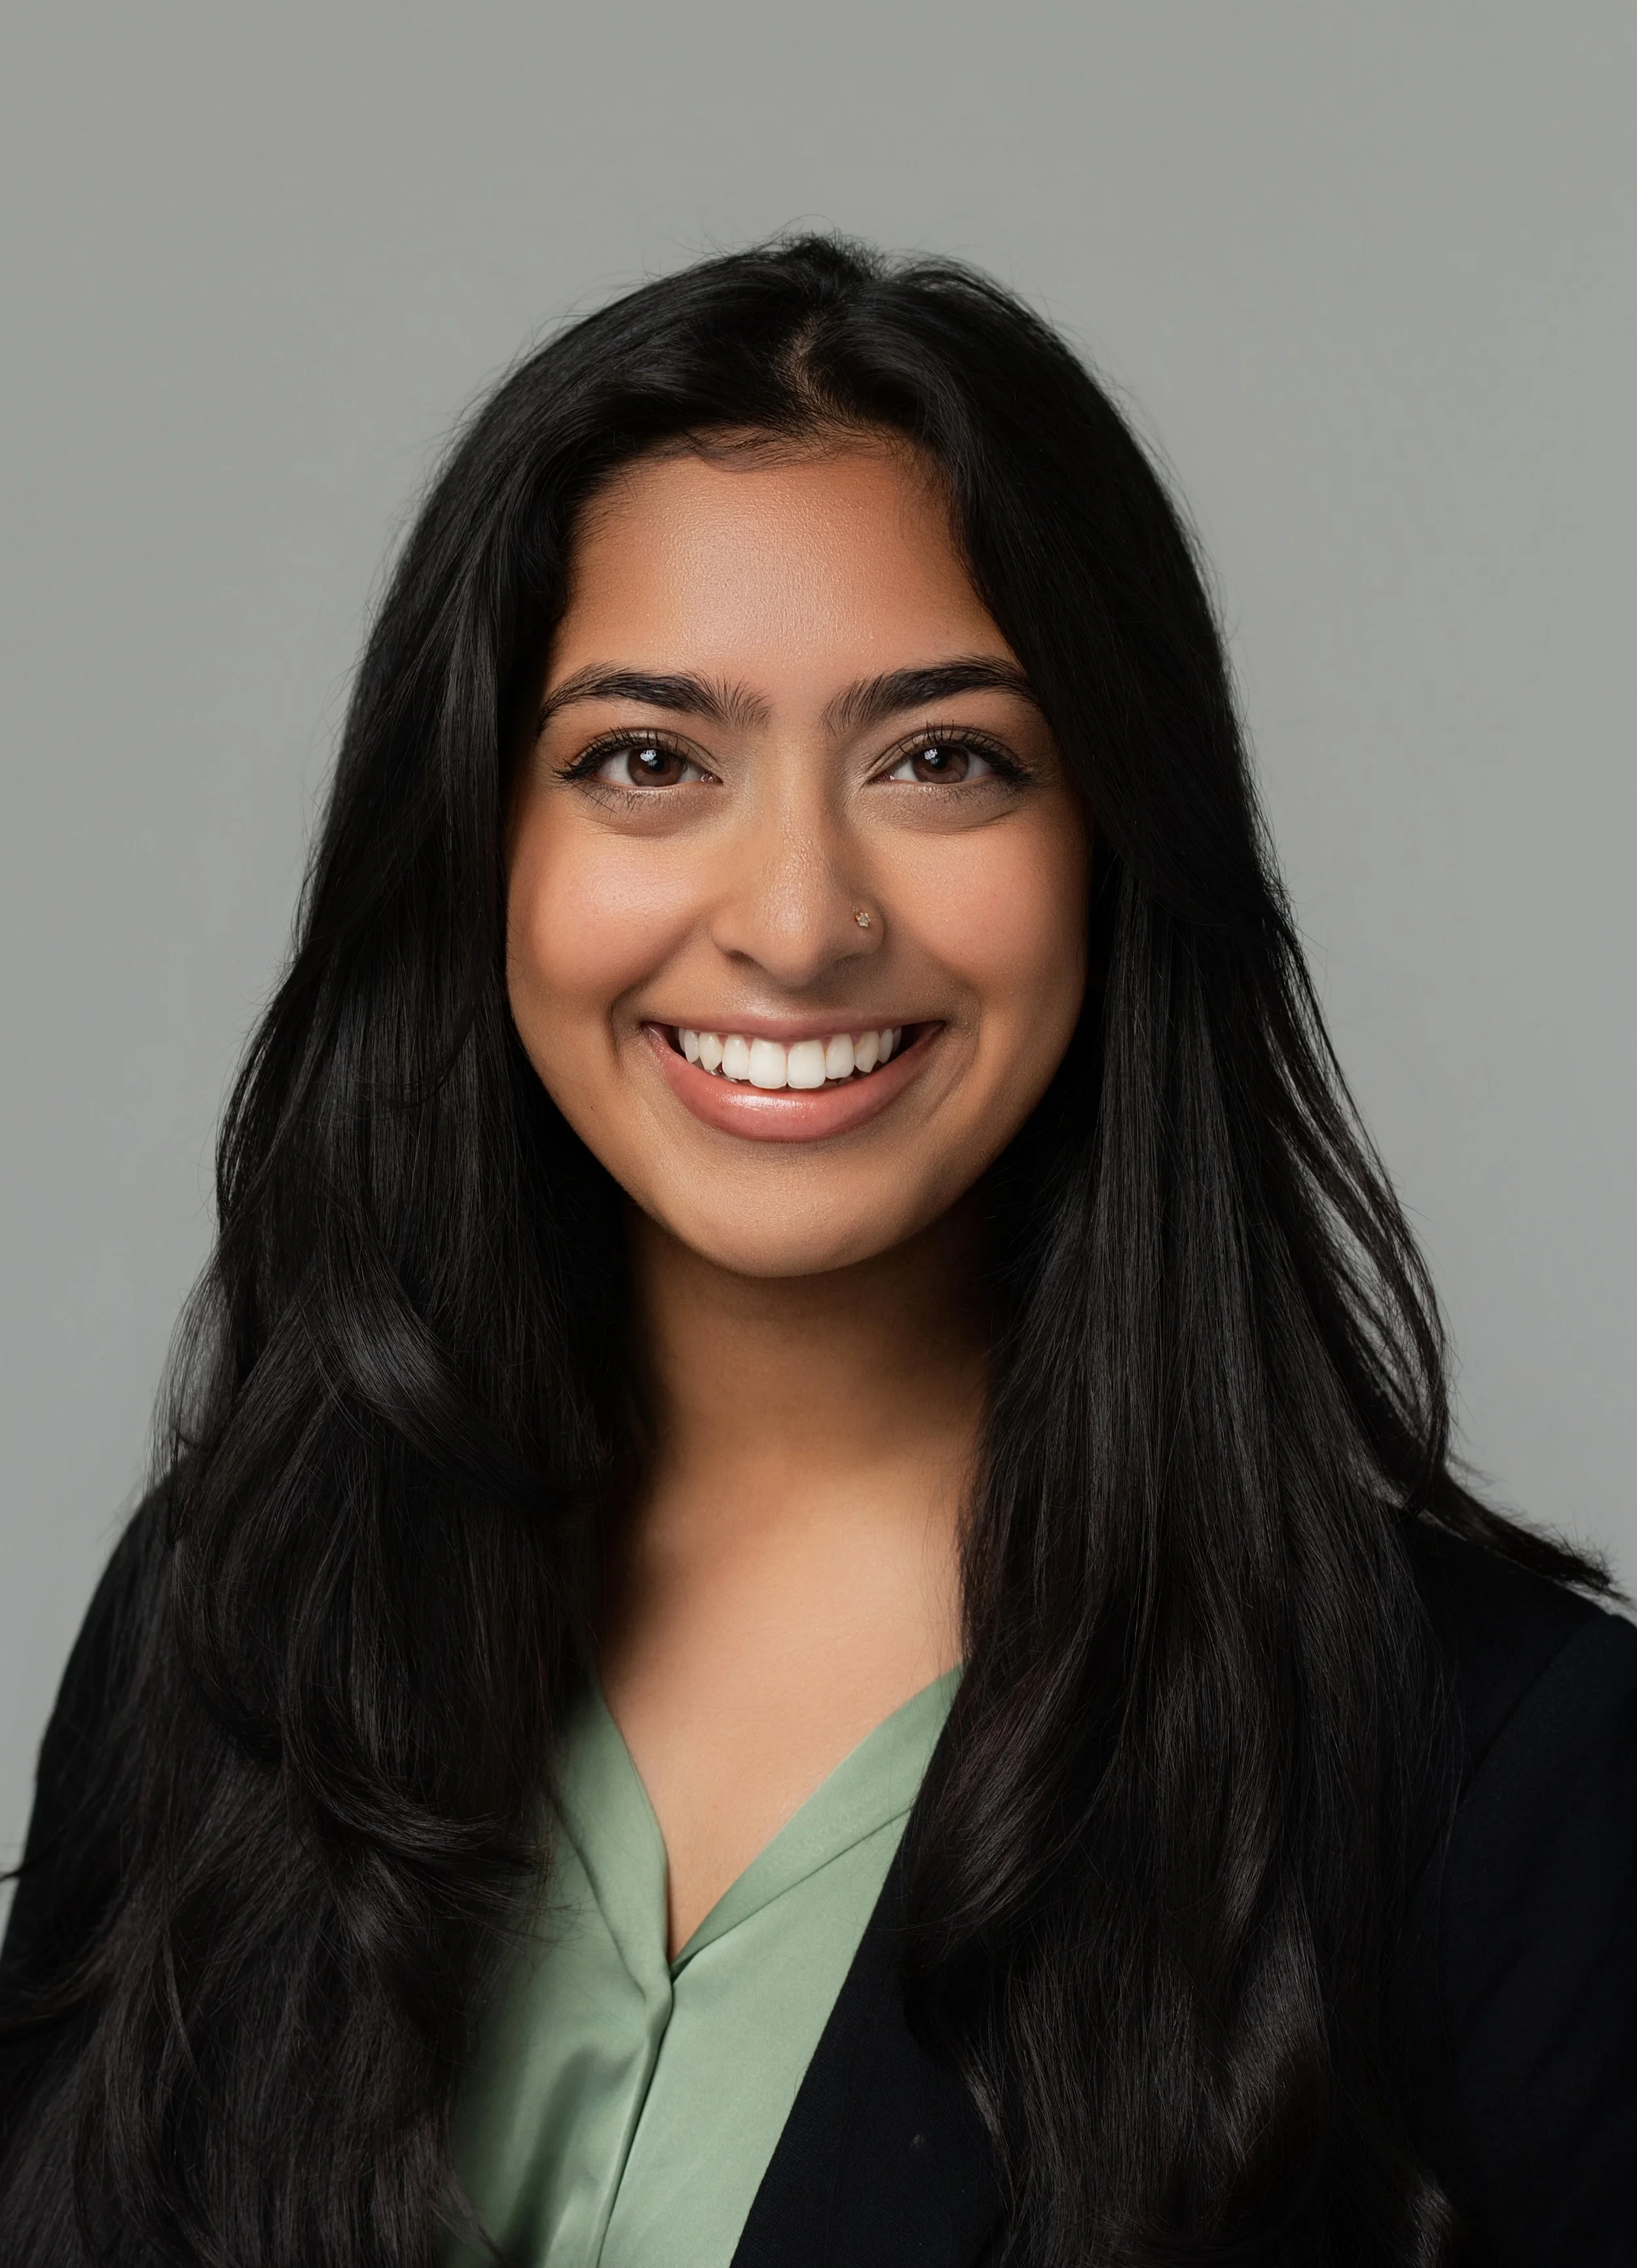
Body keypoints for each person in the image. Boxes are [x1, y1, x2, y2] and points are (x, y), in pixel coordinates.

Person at [1, 235, 1632, 2268]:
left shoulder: (1513, 1783)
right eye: (646, 760)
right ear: (481, 848)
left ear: (1115, 838)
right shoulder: (229, 1625)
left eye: (942, 757)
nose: (795, 920)